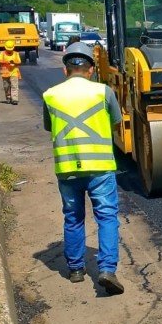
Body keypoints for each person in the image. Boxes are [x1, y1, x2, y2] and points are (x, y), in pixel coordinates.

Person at [42, 42, 125, 295]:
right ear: (91, 69)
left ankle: (76, 269)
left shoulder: (50, 95)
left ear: (65, 70)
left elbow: (49, 126)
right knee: (107, 217)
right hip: (99, 167)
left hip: (67, 169)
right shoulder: (103, 92)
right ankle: (107, 270)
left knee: (73, 217)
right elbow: (116, 120)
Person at [0, 40, 21, 105]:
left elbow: (19, 62)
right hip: (5, 73)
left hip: (14, 72)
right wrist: (6, 62)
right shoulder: (2, 53)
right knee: (6, 86)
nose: (9, 50)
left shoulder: (16, 54)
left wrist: (14, 62)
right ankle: (8, 97)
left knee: (14, 86)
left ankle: (14, 99)